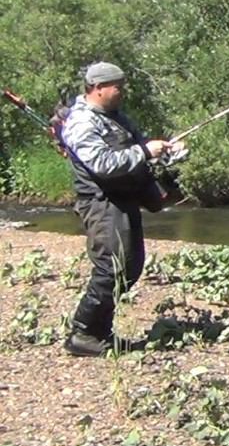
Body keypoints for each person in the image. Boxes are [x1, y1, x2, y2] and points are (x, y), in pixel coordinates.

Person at [59, 62, 185, 357]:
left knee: (130, 266)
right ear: (98, 88)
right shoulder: (82, 123)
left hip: (124, 200)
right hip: (101, 203)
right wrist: (144, 151)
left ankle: (100, 332)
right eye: (118, 87)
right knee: (110, 268)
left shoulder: (117, 118)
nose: (122, 92)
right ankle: (83, 333)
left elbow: (138, 154)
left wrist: (167, 153)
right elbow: (102, 164)